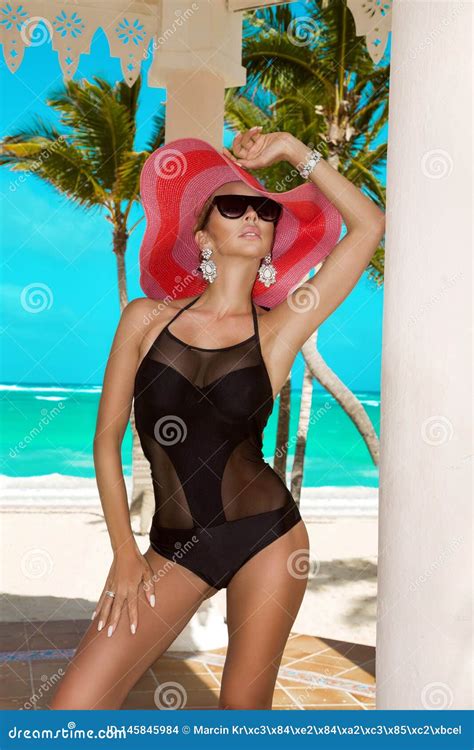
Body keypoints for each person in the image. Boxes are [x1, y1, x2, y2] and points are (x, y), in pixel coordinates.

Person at [50, 128, 385, 710]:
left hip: (268, 537)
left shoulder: (280, 330)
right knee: (74, 710)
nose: (253, 215)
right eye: (233, 206)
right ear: (203, 234)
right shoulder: (144, 320)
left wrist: (290, 150)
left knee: (240, 719)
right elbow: (106, 441)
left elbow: (370, 226)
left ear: (273, 240)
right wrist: (125, 555)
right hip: (173, 545)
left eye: (265, 210)